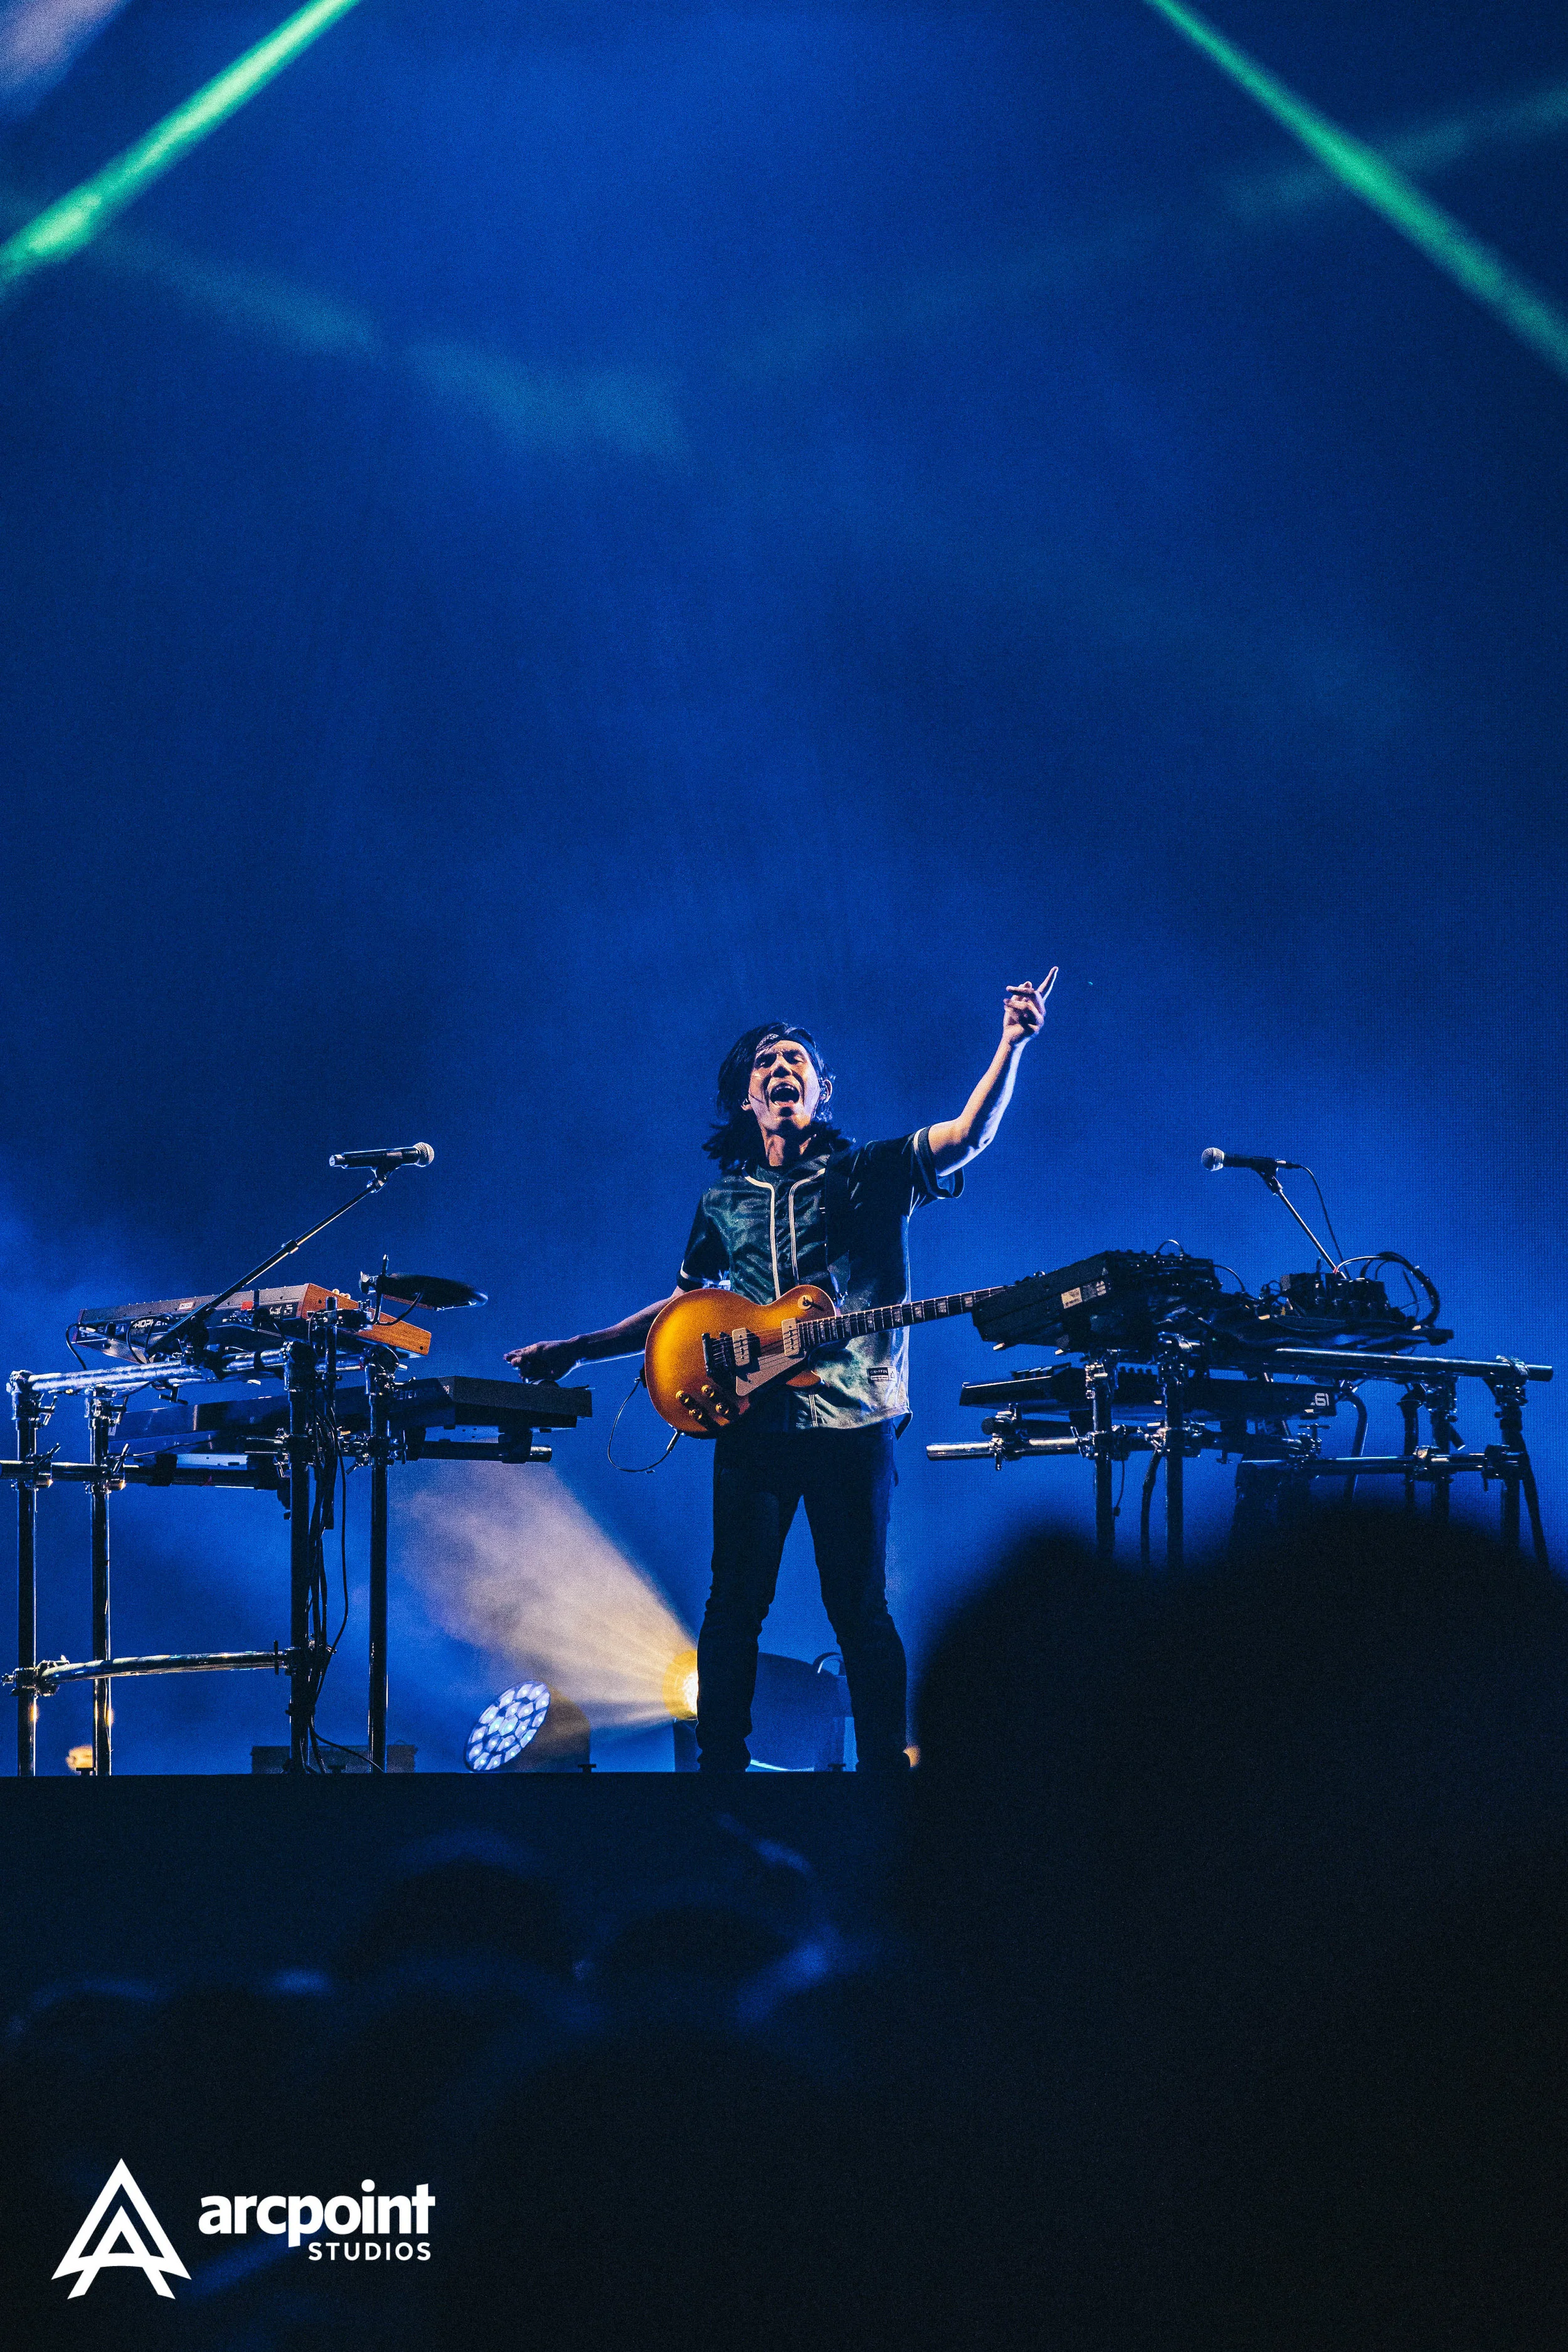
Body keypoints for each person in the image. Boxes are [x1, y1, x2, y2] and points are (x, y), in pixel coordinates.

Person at [506, 975, 1056, 1771]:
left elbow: (967, 1135)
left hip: (851, 1418)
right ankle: (718, 1778)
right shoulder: (721, 1203)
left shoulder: (872, 1171)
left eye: (796, 1060)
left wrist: (1012, 1043)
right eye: (766, 1063)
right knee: (733, 1607)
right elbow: (679, 1316)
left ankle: (881, 1785)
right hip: (753, 1425)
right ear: (746, 1099)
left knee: (859, 1610)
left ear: (821, 1091)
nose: (781, 1068)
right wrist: (577, 1348)